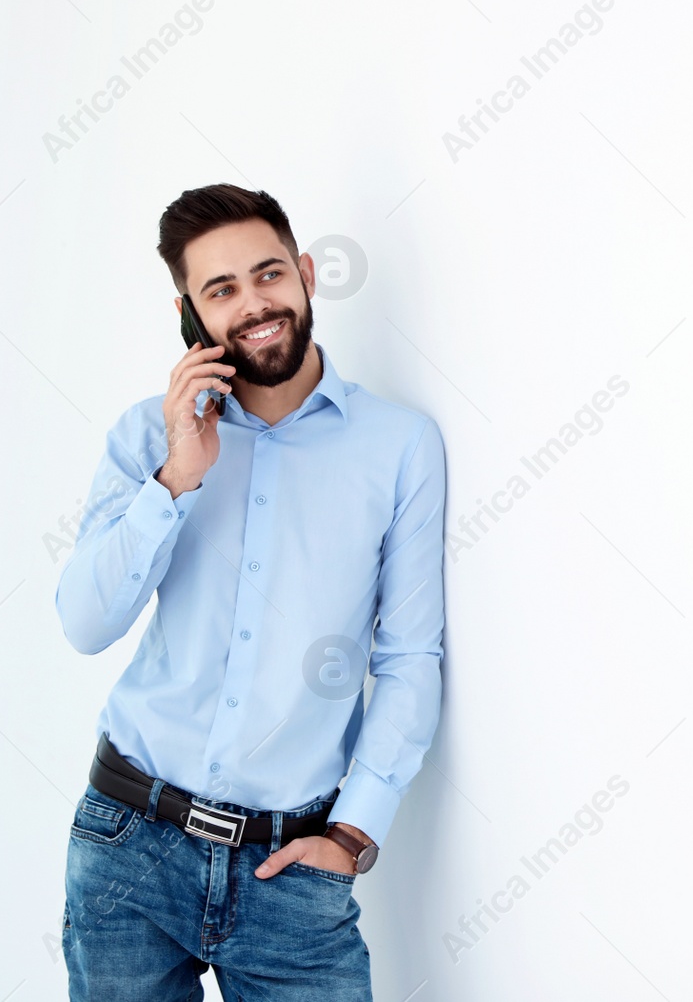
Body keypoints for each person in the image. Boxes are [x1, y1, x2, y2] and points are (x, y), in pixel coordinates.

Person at [53, 183, 446, 1001]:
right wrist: (176, 478)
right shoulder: (146, 436)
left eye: (268, 274)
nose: (254, 304)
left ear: (304, 273)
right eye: (221, 290)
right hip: (129, 840)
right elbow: (86, 622)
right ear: (190, 316)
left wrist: (351, 832)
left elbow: (410, 656)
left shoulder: (399, 445)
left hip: (291, 868)